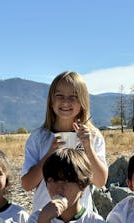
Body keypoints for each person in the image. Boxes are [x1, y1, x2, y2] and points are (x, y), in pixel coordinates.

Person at [21, 71, 108, 212]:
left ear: (83, 101)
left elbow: (100, 181)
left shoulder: (93, 136)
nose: (66, 102)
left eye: (73, 97)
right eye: (59, 96)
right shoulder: (39, 138)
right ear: (51, 101)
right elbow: (27, 184)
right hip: (44, 218)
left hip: (80, 222)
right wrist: (49, 154)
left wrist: (88, 147)